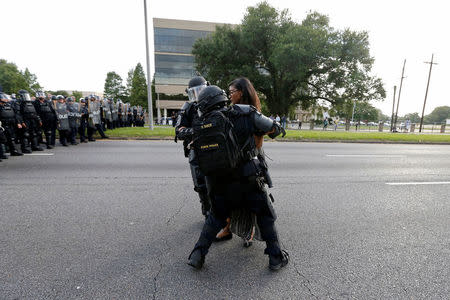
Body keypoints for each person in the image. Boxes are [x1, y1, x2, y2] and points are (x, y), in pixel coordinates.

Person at [187, 85, 288, 271]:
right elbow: (273, 129)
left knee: (215, 217)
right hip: (247, 179)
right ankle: (275, 258)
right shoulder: (244, 112)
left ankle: (197, 255)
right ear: (222, 98)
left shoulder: (202, 123)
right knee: (265, 215)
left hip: (219, 183)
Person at [175, 76, 211, 218]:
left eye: (200, 91)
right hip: (196, 149)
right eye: (193, 92)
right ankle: (207, 210)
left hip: (217, 149)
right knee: (201, 185)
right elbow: (178, 131)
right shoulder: (188, 107)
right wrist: (196, 131)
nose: (197, 95)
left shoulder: (215, 102)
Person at [0, 92, 23, 156]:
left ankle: (13, 151)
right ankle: (2, 154)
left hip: (11, 124)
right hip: (2, 125)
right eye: (3, 98)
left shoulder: (9, 105)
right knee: (2, 139)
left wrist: (18, 123)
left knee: (11, 138)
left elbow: (15, 115)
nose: (5, 99)